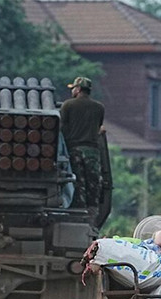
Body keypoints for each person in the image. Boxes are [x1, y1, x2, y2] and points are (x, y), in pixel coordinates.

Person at [60, 76, 105, 208]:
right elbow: (98, 128)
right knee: (93, 182)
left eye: (73, 88)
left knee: (77, 181)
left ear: (78, 89)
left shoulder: (68, 105)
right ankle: (92, 210)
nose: (72, 91)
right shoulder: (99, 108)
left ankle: (78, 209)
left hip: (75, 149)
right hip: (93, 151)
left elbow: (62, 128)